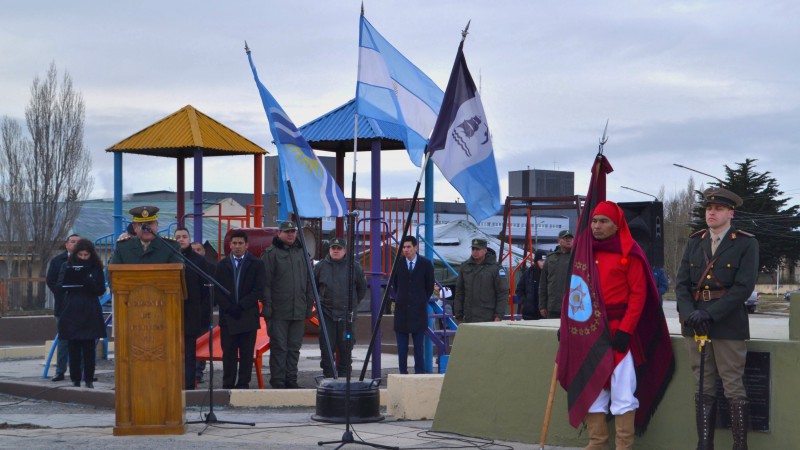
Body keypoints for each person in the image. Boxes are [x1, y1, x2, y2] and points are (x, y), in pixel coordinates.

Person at [582, 201, 670, 450]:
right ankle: (597, 443)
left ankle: (624, 447)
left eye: (603, 221)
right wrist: (570, 326)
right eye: (594, 221)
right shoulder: (585, 252)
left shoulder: (630, 252)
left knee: (622, 391)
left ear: (616, 224)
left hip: (620, 331)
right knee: (593, 389)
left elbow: (638, 296)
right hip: (590, 331)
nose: (597, 226)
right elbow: (575, 291)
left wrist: (625, 331)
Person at [676, 187, 758, 450]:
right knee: (702, 384)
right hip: (695, 324)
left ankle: (739, 446)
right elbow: (680, 285)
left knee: (733, 385)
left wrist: (710, 314)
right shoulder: (695, 241)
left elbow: (743, 288)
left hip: (727, 323)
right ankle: (704, 444)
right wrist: (690, 314)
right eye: (709, 209)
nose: (712, 212)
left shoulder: (745, 242)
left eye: (718, 209)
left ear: (730, 213)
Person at [262, 220, 314, 389]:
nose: (291, 234)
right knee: (279, 348)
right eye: (287, 231)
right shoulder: (270, 254)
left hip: (298, 310)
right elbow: (266, 284)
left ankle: (291, 380)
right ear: (279, 234)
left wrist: (308, 306)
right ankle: (277, 381)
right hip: (278, 311)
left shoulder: (302, 253)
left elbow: (309, 282)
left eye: (293, 231)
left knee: (294, 348)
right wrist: (268, 307)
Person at [214, 230, 264, 389]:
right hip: (228, 317)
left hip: (247, 315)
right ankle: (228, 383)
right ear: (230, 245)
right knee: (228, 353)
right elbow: (217, 290)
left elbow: (258, 290)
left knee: (246, 354)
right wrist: (229, 307)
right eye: (234, 243)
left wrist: (241, 305)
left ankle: (243, 384)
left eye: (240, 243)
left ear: (246, 245)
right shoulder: (222, 265)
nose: (237, 246)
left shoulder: (256, 264)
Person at [55, 239, 106, 388]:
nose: (83, 257)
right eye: (81, 254)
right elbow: (59, 286)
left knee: (89, 347)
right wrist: (70, 281)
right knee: (74, 346)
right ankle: (75, 379)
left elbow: (101, 290)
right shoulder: (67, 265)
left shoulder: (96, 268)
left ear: (91, 254)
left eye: (86, 255)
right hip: (72, 309)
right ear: (76, 253)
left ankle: (89, 378)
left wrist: (89, 282)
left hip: (90, 309)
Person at [313, 237, 367, 378]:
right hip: (327, 314)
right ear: (329, 249)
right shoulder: (320, 267)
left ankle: (344, 380)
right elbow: (313, 288)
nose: (336, 251)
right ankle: (329, 378)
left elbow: (361, 288)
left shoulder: (354, 266)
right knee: (326, 348)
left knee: (346, 348)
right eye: (333, 248)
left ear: (345, 250)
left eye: (339, 248)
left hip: (346, 315)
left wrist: (352, 304)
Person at [174, 227, 214, 390]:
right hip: (171, 314)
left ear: (189, 239)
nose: (181, 239)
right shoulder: (169, 259)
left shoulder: (198, 261)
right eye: (178, 237)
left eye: (184, 236)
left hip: (191, 314)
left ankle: (189, 385)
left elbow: (205, 291)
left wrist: (202, 314)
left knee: (190, 353)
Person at [391, 236, 435, 374]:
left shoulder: (426, 264)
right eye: (403, 247)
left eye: (408, 247)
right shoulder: (398, 264)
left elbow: (429, 287)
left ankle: (419, 374)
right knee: (402, 349)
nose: (406, 250)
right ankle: (403, 374)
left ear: (416, 247)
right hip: (401, 313)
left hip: (418, 313)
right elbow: (395, 285)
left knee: (418, 348)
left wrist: (419, 300)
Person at [46, 233, 81, 382]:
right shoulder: (57, 261)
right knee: (63, 340)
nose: (75, 245)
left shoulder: (86, 260)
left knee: (83, 340)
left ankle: (82, 372)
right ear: (66, 245)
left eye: (78, 242)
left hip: (81, 307)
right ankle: (60, 372)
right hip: (63, 307)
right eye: (72, 242)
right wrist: (64, 295)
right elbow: (51, 281)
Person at [454, 238, 509, 323]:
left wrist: (499, 316)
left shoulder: (495, 268)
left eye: (478, 249)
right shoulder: (465, 266)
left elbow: (503, 293)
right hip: (468, 317)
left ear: (485, 250)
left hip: (488, 318)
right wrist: (458, 314)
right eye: (473, 249)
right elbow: (459, 292)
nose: (475, 252)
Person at [110, 206, 182, 264]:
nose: (146, 228)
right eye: (142, 224)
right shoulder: (123, 247)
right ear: (134, 227)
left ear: (157, 225)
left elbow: (178, 274)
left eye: (150, 223)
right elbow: (112, 274)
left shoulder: (171, 247)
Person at [190, 240, 215, 385]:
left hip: (204, 313)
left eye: (199, 249)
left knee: (202, 344)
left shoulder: (211, 268)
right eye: (193, 250)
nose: (196, 252)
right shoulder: (182, 266)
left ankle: (198, 373)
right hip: (187, 314)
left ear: (204, 252)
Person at [539, 230, 574, 319]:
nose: (568, 240)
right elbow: (543, 283)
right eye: (566, 238)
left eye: (570, 238)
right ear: (558, 240)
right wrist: (542, 305)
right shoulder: (550, 259)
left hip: (573, 306)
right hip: (553, 306)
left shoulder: (578, 257)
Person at [515, 249, 547, 320]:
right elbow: (519, 289)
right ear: (536, 261)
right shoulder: (528, 273)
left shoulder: (549, 274)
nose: (543, 263)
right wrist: (525, 302)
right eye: (541, 260)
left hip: (544, 312)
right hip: (529, 312)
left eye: (545, 260)